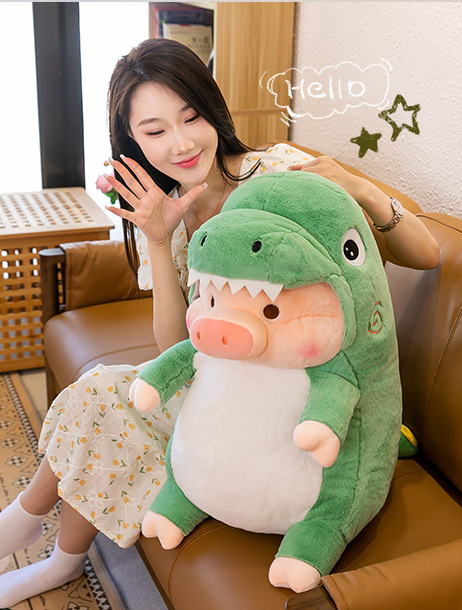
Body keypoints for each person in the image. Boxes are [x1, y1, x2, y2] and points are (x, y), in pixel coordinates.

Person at [0, 38, 439, 606]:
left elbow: (427, 253)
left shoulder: (276, 171)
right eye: (155, 130)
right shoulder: (163, 206)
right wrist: (159, 239)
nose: (181, 143)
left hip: (300, 392)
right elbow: (176, 345)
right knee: (105, 395)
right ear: (133, 142)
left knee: (103, 396)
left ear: (214, 111)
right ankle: (50, 548)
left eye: (192, 117)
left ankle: (28, 526)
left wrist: (360, 188)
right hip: (225, 382)